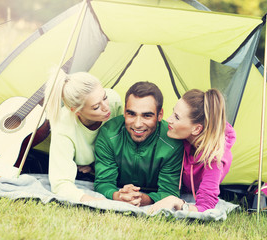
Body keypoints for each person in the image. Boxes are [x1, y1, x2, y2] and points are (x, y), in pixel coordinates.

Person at [94, 81, 183, 207]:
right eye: (131, 114)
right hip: (120, 192)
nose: (137, 124)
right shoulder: (109, 133)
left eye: (147, 115)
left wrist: (142, 199)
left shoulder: (172, 142)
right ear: (124, 111)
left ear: (160, 115)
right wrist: (118, 196)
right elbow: (103, 182)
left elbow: (169, 192)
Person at [149, 88, 236, 212]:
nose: (169, 119)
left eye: (177, 117)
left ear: (196, 129)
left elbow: (205, 207)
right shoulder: (180, 137)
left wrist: (177, 202)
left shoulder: (215, 159)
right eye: (173, 113)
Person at [44, 69, 122, 202]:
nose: (106, 108)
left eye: (104, 97)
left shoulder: (114, 102)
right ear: (76, 111)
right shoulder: (63, 125)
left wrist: (95, 167)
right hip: (86, 174)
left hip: (112, 169)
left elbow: (125, 145)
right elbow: (60, 184)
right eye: (96, 107)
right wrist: (94, 201)